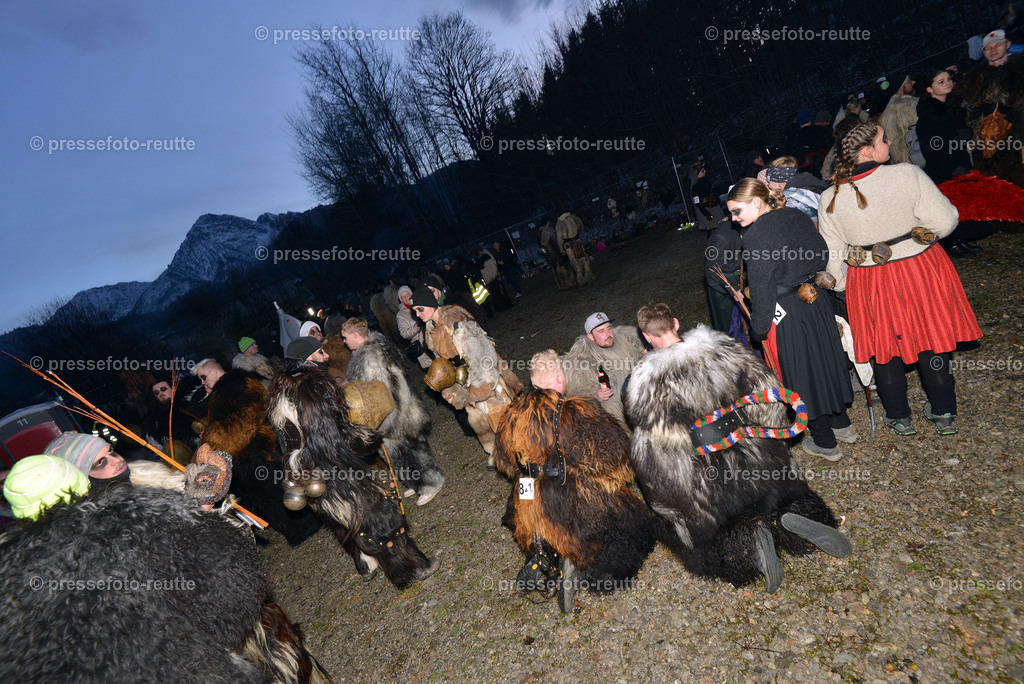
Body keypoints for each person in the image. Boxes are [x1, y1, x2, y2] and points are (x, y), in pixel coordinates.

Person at [625, 308, 851, 594]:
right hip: (755, 452)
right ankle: (797, 518)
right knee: (784, 491)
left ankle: (748, 547)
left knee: (701, 532)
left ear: (646, 337)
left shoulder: (645, 379)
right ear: (676, 323)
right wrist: (773, 438)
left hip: (708, 474)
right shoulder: (721, 345)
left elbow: (654, 446)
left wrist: (669, 499)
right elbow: (766, 388)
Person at [818, 122, 982, 436]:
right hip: (919, 268)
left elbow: (833, 255)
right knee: (930, 338)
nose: (890, 141)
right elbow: (947, 220)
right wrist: (917, 239)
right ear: (867, 150)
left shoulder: (829, 198)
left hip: (869, 280)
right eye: (883, 138)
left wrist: (840, 286)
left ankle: (899, 417)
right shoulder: (907, 174)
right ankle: (944, 412)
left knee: (884, 346)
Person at [268, 336, 440, 589]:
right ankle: (411, 569)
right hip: (330, 470)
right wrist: (366, 436)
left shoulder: (282, 392)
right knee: (379, 515)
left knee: (345, 522)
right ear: (307, 359)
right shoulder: (311, 389)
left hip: (306, 475)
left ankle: (365, 563)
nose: (326, 356)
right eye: (320, 353)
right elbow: (331, 438)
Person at [493, 389, 655, 614]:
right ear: (558, 381)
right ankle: (578, 565)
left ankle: (541, 555)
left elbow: (506, 464)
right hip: (569, 508)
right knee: (623, 518)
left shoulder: (510, 415)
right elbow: (616, 461)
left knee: (523, 509)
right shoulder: (577, 410)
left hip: (527, 494)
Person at [725, 179, 854, 460]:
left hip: (787, 311)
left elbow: (761, 289)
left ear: (756, 203)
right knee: (826, 359)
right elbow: (822, 252)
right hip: (816, 300)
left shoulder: (757, 236)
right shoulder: (796, 215)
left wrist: (759, 328)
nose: (733, 219)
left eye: (737, 211)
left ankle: (825, 441)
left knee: (802, 371)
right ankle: (842, 423)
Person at [191, 358, 322, 546]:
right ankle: (298, 530)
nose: (202, 382)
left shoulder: (235, 384)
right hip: (246, 458)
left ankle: (305, 527)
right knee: (268, 498)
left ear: (214, 371)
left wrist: (211, 438)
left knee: (279, 493)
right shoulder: (221, 392)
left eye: (204, 377)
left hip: (260, 452)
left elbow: (242, 423)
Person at [412, 287, 522, 467]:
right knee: (479, 420)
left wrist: (481, 386)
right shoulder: (433, 328)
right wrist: (451, 389)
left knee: (500, 417)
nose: (417, 314)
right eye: (415, 310)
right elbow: (445, 364)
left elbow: (481, 354)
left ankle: (520, 454)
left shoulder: (455, 322)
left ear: (431, 305)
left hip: (484, 376)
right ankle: (496, 452)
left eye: (420, 309)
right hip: (465, 379)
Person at [341, 317, 445, 506]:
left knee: (412, 449)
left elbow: (386, 386)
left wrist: (390, 417)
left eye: (345, 337)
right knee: (396, 453)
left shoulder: (373, 354)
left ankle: (431, 483)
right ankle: (415, 482)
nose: (344, 341)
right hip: (381, 413)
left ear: (355, 335)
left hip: (395, 411)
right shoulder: (361, 354)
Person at [956, 29, 1024, 185]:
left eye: (997, 45)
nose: (993, 50)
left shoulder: (1020, 71)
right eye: (988, 47)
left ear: (1008, 45)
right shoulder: (974, 79)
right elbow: (969, 114)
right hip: (991, 151)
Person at [561, 312, 645, 430]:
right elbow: (577, 394)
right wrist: (595, 395)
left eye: (608, 328)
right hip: (620, 412)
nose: (608, 334)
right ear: (590, 337)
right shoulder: (581, 359)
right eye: (601, 331)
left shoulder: (625, 338)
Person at [395, 285, 432, 369]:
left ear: (411, 294)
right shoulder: (400, 315)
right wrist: (416, 326)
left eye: (407, 294)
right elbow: (404, 334)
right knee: (432, 372)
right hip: (422, 347)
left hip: (434, 341)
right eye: (403, 296)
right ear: (401, 299)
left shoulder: (421, 304)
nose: (406, 297)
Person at [555, 212, 595, 285]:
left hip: (568, 244)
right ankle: (589, 275)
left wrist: (561, 249)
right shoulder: (572, 217)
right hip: (577, 241)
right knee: (583, 259)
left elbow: (559, 238)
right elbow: (580, 226)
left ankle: (581, 280)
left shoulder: (559, 224)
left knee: (575, 262)